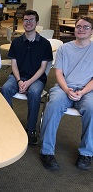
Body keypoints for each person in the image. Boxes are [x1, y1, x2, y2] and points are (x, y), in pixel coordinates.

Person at [40, 16, 93, 171]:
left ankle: (86, 153)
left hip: (87, 90)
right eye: (78, 26)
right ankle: (47, 151)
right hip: (64, 88)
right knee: (53, 105)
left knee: (91, 108)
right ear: (74, 28)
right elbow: (59, 73)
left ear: (91, 31)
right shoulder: (65, 48)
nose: (81, 29)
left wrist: (82, 91)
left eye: (86, 27)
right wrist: (67, 89)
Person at [0, 10, 53, 145]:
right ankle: (10, 123)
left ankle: (31, 129)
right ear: (22, 22)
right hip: (18, 76)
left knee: (35, 92)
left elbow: (43, 68)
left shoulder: (45, 44)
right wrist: (19, 81)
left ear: (37, 23)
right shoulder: (17, 42)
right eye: (26, 20)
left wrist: (28, 82)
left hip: (36, 79)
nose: (28, 23)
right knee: (5, 89)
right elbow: (14, 65)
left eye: (31, 20)